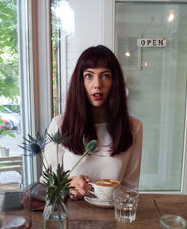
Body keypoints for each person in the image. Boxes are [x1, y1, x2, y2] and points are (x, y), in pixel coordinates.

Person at [44, 45, 143, 199]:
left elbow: (130, 187)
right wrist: (66, 185)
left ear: (114, 82)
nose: (97, 84)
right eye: (89, 76)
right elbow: (46, 184)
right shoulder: (60, 125)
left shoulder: (134, 127)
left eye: (105, 76)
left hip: (114, 215)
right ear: (80, 82)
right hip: (72, 216)